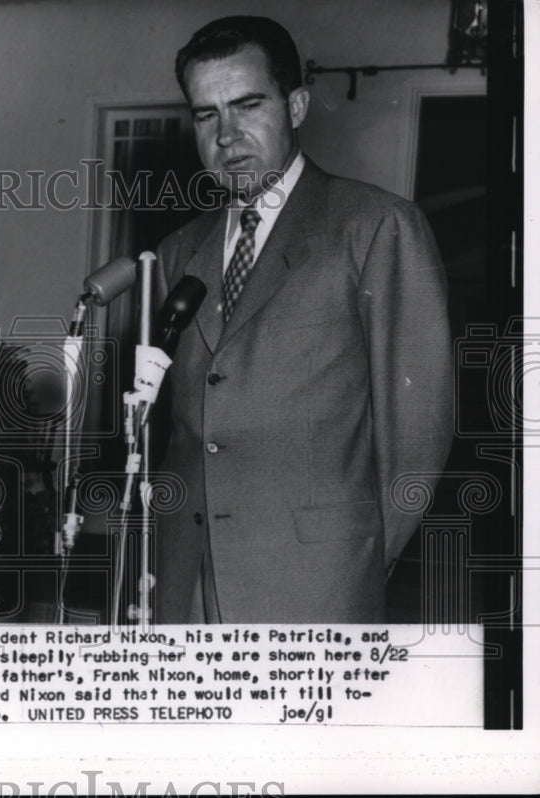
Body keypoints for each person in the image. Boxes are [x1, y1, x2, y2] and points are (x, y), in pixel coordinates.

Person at [154, 16, 452, 623]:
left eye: (247, 105)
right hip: (183, 582)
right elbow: (180, 432)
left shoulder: (375, 227)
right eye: (206, 114)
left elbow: (417, 435)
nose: (227, 135)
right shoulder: (177, 252)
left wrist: (359, 562)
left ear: (295, 105)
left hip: (316, 586)